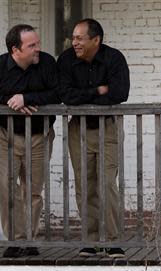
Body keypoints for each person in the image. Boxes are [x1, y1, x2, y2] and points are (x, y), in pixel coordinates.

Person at [0, 24, 60, 258]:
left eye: (38, 43)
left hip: (39, 135)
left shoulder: (47, 64)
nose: (38, 50)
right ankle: (15, 240)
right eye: (32, 45)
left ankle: (30, 240)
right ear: (15, 49)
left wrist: (27, 98)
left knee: (33, 190)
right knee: (6, 186)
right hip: (5, 136)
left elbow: (58, 92)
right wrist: (8, 101)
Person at [57, 18, 130, 258]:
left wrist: (85, 97)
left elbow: (120, 93)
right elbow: (66, 95)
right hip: (78, 128)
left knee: (106, 183)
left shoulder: (114, 58)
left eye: (80, 38)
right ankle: (91, 241)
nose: (74, 42)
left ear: (96, 40)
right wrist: (98, 91)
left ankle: (112, 240)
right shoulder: (66, 60)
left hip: (107, 127)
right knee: (84, 185)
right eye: (74, 38)